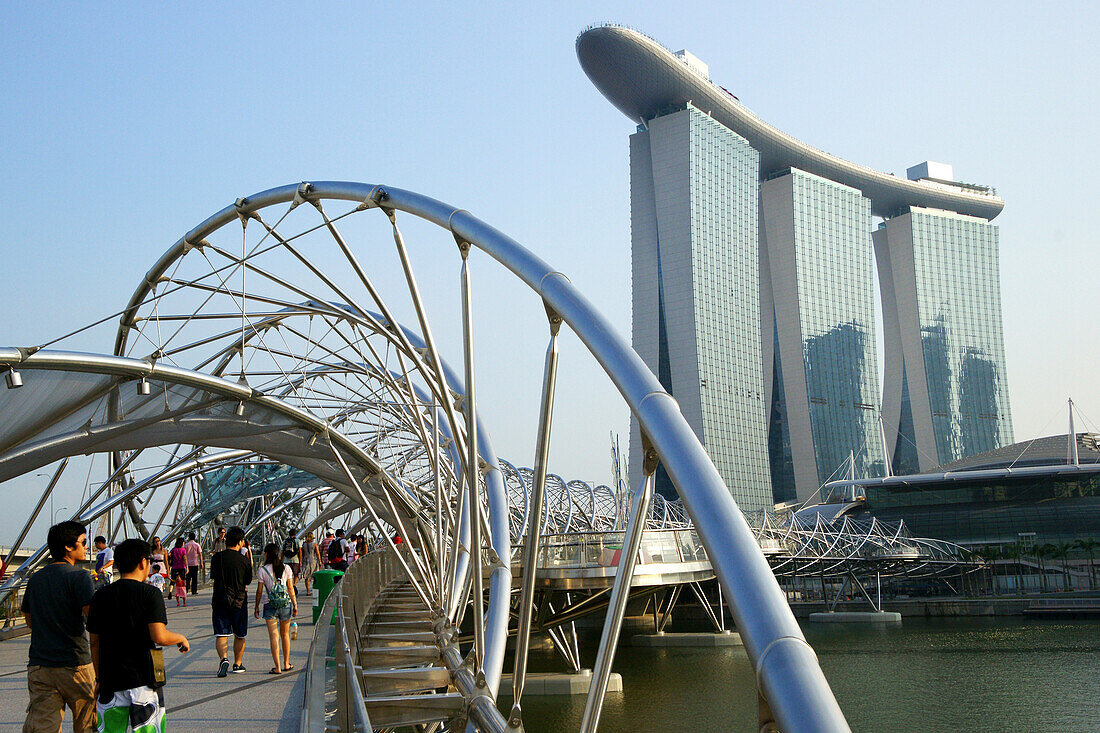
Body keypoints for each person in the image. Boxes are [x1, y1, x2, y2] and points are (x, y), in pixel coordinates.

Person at [87, 538, 189, 733]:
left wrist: (98, 679)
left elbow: (94, 643)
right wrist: (180, 638)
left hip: (111, 679)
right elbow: (159, 636)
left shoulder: (100, 596)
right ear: (144, 562)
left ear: (117, 564)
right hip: (144, 679)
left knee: (109, 729)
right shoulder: (150, 594)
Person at [21, 520, 96, 733]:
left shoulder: (36, 579)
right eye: (82, 542)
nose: (86, 547)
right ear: (68, 547)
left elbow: (28, 617)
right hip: (75, 664)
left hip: (40, 666)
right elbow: (93, 620)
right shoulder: (79, 576)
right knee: (87, 723)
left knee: (43, 727)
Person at [210, 526, 252, 677]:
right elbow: (247, 580)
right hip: (239, 601)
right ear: (240, 542)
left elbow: (213, 576)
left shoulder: (216, 558)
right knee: (239, 634)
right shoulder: (244, 561)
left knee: (221, 634)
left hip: (220, 598)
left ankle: (224, 659)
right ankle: (238, 664)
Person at [254, 543, 298, 674]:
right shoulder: (286, 568)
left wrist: (256, 606)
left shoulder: (263, 570)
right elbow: (290, 588)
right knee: (285, 635)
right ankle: (286, 663)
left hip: (270, 605)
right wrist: (295, 604)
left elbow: (259, 591)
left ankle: (277, 667)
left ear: (267, 554)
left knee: (274, 636)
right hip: (285, 604)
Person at [183, 532, 204, 596]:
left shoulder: (186, 545)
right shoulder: (197, 545)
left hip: (188, 564)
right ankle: (194, 590)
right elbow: (200, 554)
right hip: (195, 563)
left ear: (189, 538)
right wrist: (201, 562)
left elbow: (184, 554)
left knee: (188, 578)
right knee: (194, 578)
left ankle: (186, 589)